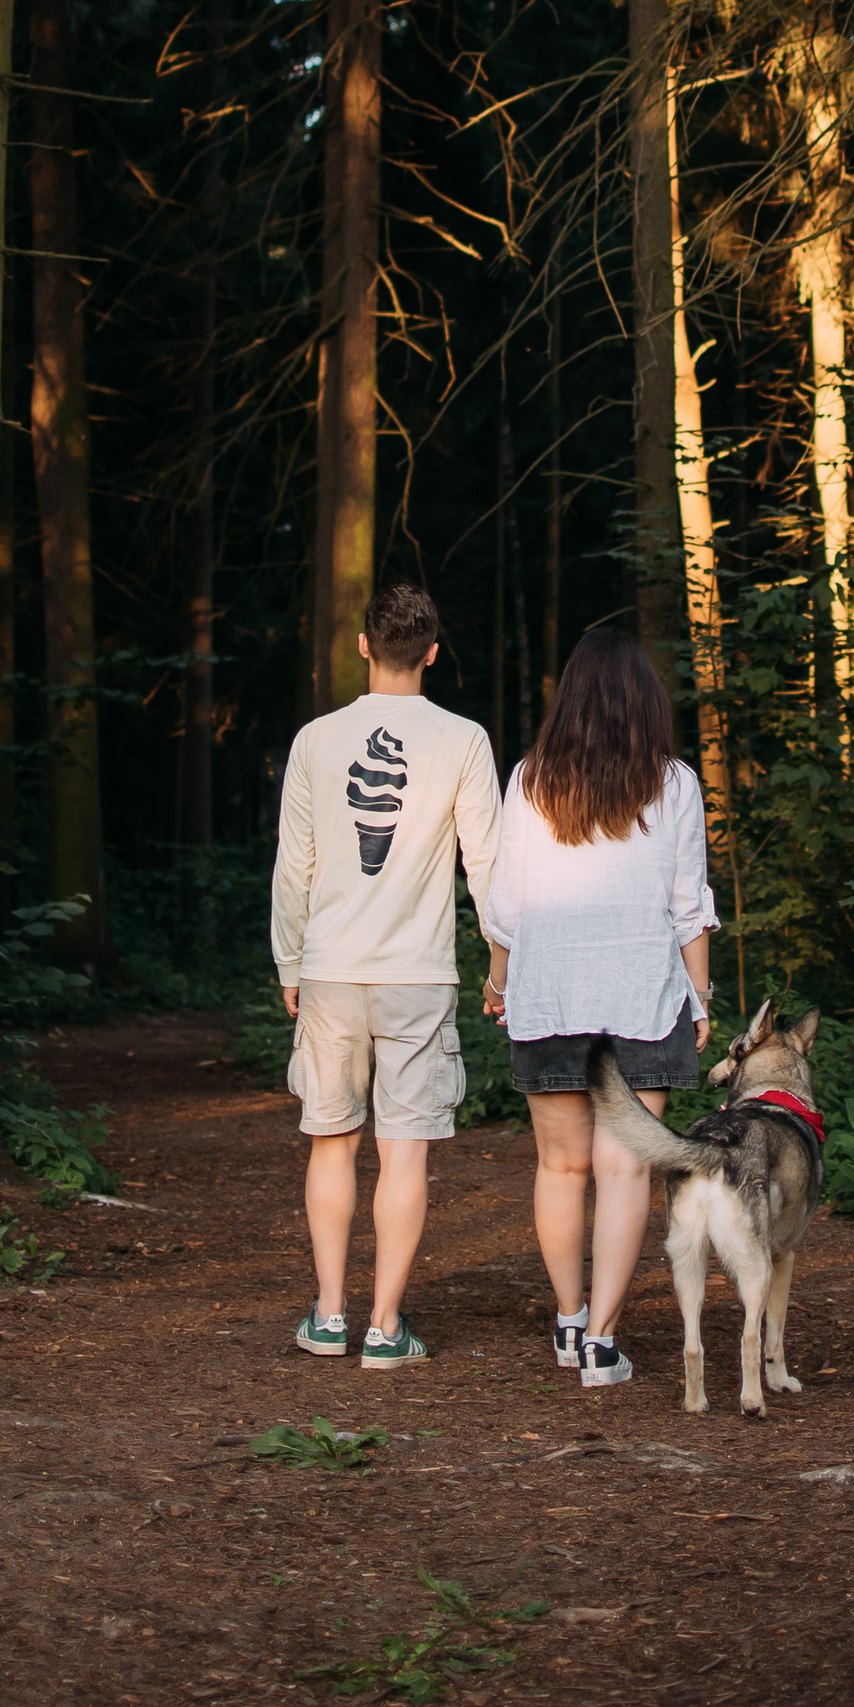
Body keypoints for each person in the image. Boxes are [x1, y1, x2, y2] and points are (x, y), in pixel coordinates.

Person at [271, 577, 501, 1370]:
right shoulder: (465, 740)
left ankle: (329, 1316)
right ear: (433, 653)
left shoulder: (314, 740)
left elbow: (292, 867)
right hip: (419, 976)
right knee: (406, 1151)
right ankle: (385, 1327)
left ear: (364, 646)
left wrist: (288, 962)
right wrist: (502, 964)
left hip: (331, 969)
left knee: (330, 1143)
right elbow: (488, 869)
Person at [481, 626, 714, 1394]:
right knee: (623, 1172)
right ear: (646, 700)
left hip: (548, 993)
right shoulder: (673, 783)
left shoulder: (530, 780)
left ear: (569, 697)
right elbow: (689, 907)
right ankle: (605, 1347)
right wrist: (700, 997)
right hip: (642, 998)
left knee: (560, 1165)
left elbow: (506, 903)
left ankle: (570, 1319)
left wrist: (499, 979)